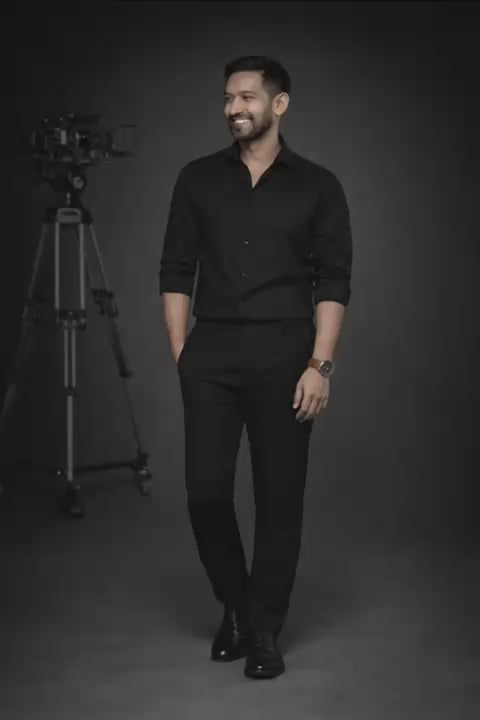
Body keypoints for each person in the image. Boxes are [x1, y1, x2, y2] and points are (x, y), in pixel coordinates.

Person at [159, 55, 352, 679]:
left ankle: (262, 630)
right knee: (206, 493)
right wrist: (182, 353)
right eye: (227, 98)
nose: (233, 108)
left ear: (279, 104)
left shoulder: (319, 186)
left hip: (286, 357)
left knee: (279, 502)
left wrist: (320, 365)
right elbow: (175, 269)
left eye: (245, 97)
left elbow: (333, 280)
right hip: (211, 355)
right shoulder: (196, 178)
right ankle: (236, 605)